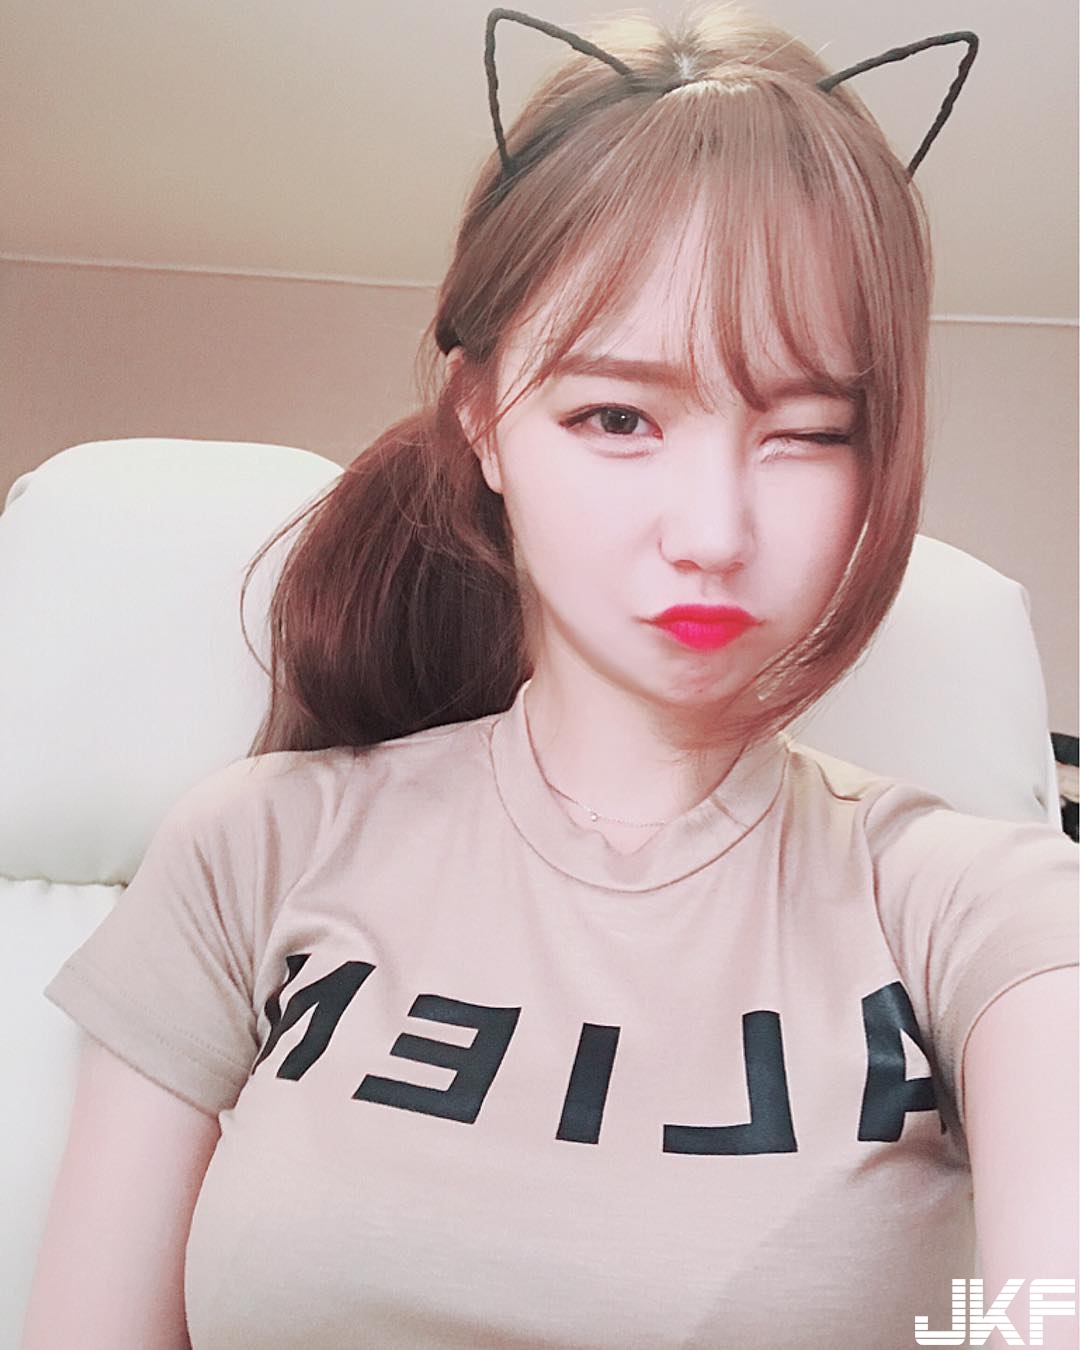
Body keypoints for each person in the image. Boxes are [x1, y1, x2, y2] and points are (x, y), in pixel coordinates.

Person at [23, 5, 1078, 1348]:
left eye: (808, 432)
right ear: (484, 420)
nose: (712, 531)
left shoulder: (983, 911)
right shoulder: (257, 846)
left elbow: (1044, 1304)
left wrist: (985, 1324)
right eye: (616, 416)